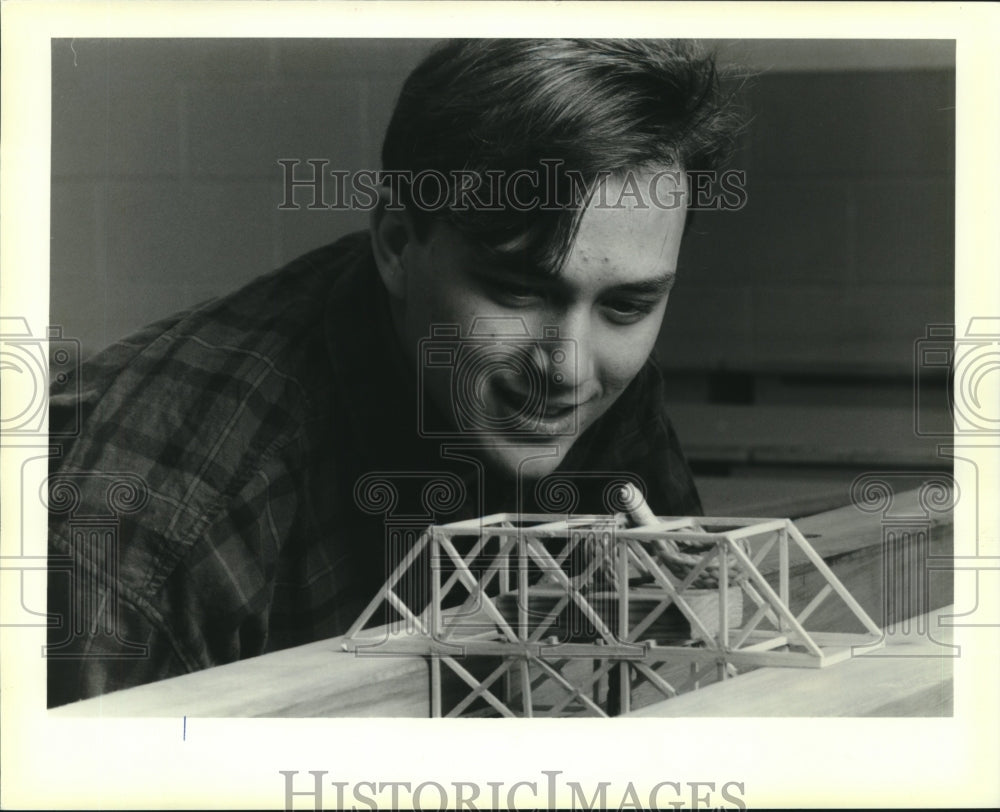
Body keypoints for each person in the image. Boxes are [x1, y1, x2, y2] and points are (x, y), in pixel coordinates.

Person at [46, 38, 739, 707]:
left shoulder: (592, 381)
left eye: (627, 305)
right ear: (398, 244)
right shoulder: (160, 525)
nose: (567, 367)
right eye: (519, 292)